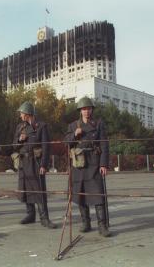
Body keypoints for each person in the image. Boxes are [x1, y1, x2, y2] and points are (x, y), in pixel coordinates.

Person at [64, 97, 111, 237]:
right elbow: (66, 142)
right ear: (80, 111)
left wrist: (103, 164)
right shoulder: (73, 125)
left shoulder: (98, 123)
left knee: (98, 194)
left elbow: (104, 144)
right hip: (78, 163)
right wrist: (74, 135)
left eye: (89, 109)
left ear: (92, 110)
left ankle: (102, 225)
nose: (86, 111)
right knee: (80, 194)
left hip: (94, 162)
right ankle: (86, 223)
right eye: (84, 109)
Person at [12, 101, 56, 229]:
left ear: (27, 114)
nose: (20, 115)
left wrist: (44, 165)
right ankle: (30, 215)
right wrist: (20, 139)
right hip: (23, 162)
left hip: (36, 163)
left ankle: (44, 218)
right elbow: (14, 146)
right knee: (25, 189)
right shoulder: (20, 127)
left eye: (21, 113)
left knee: (39, 190)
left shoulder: (41, 126)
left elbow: (46, 147)